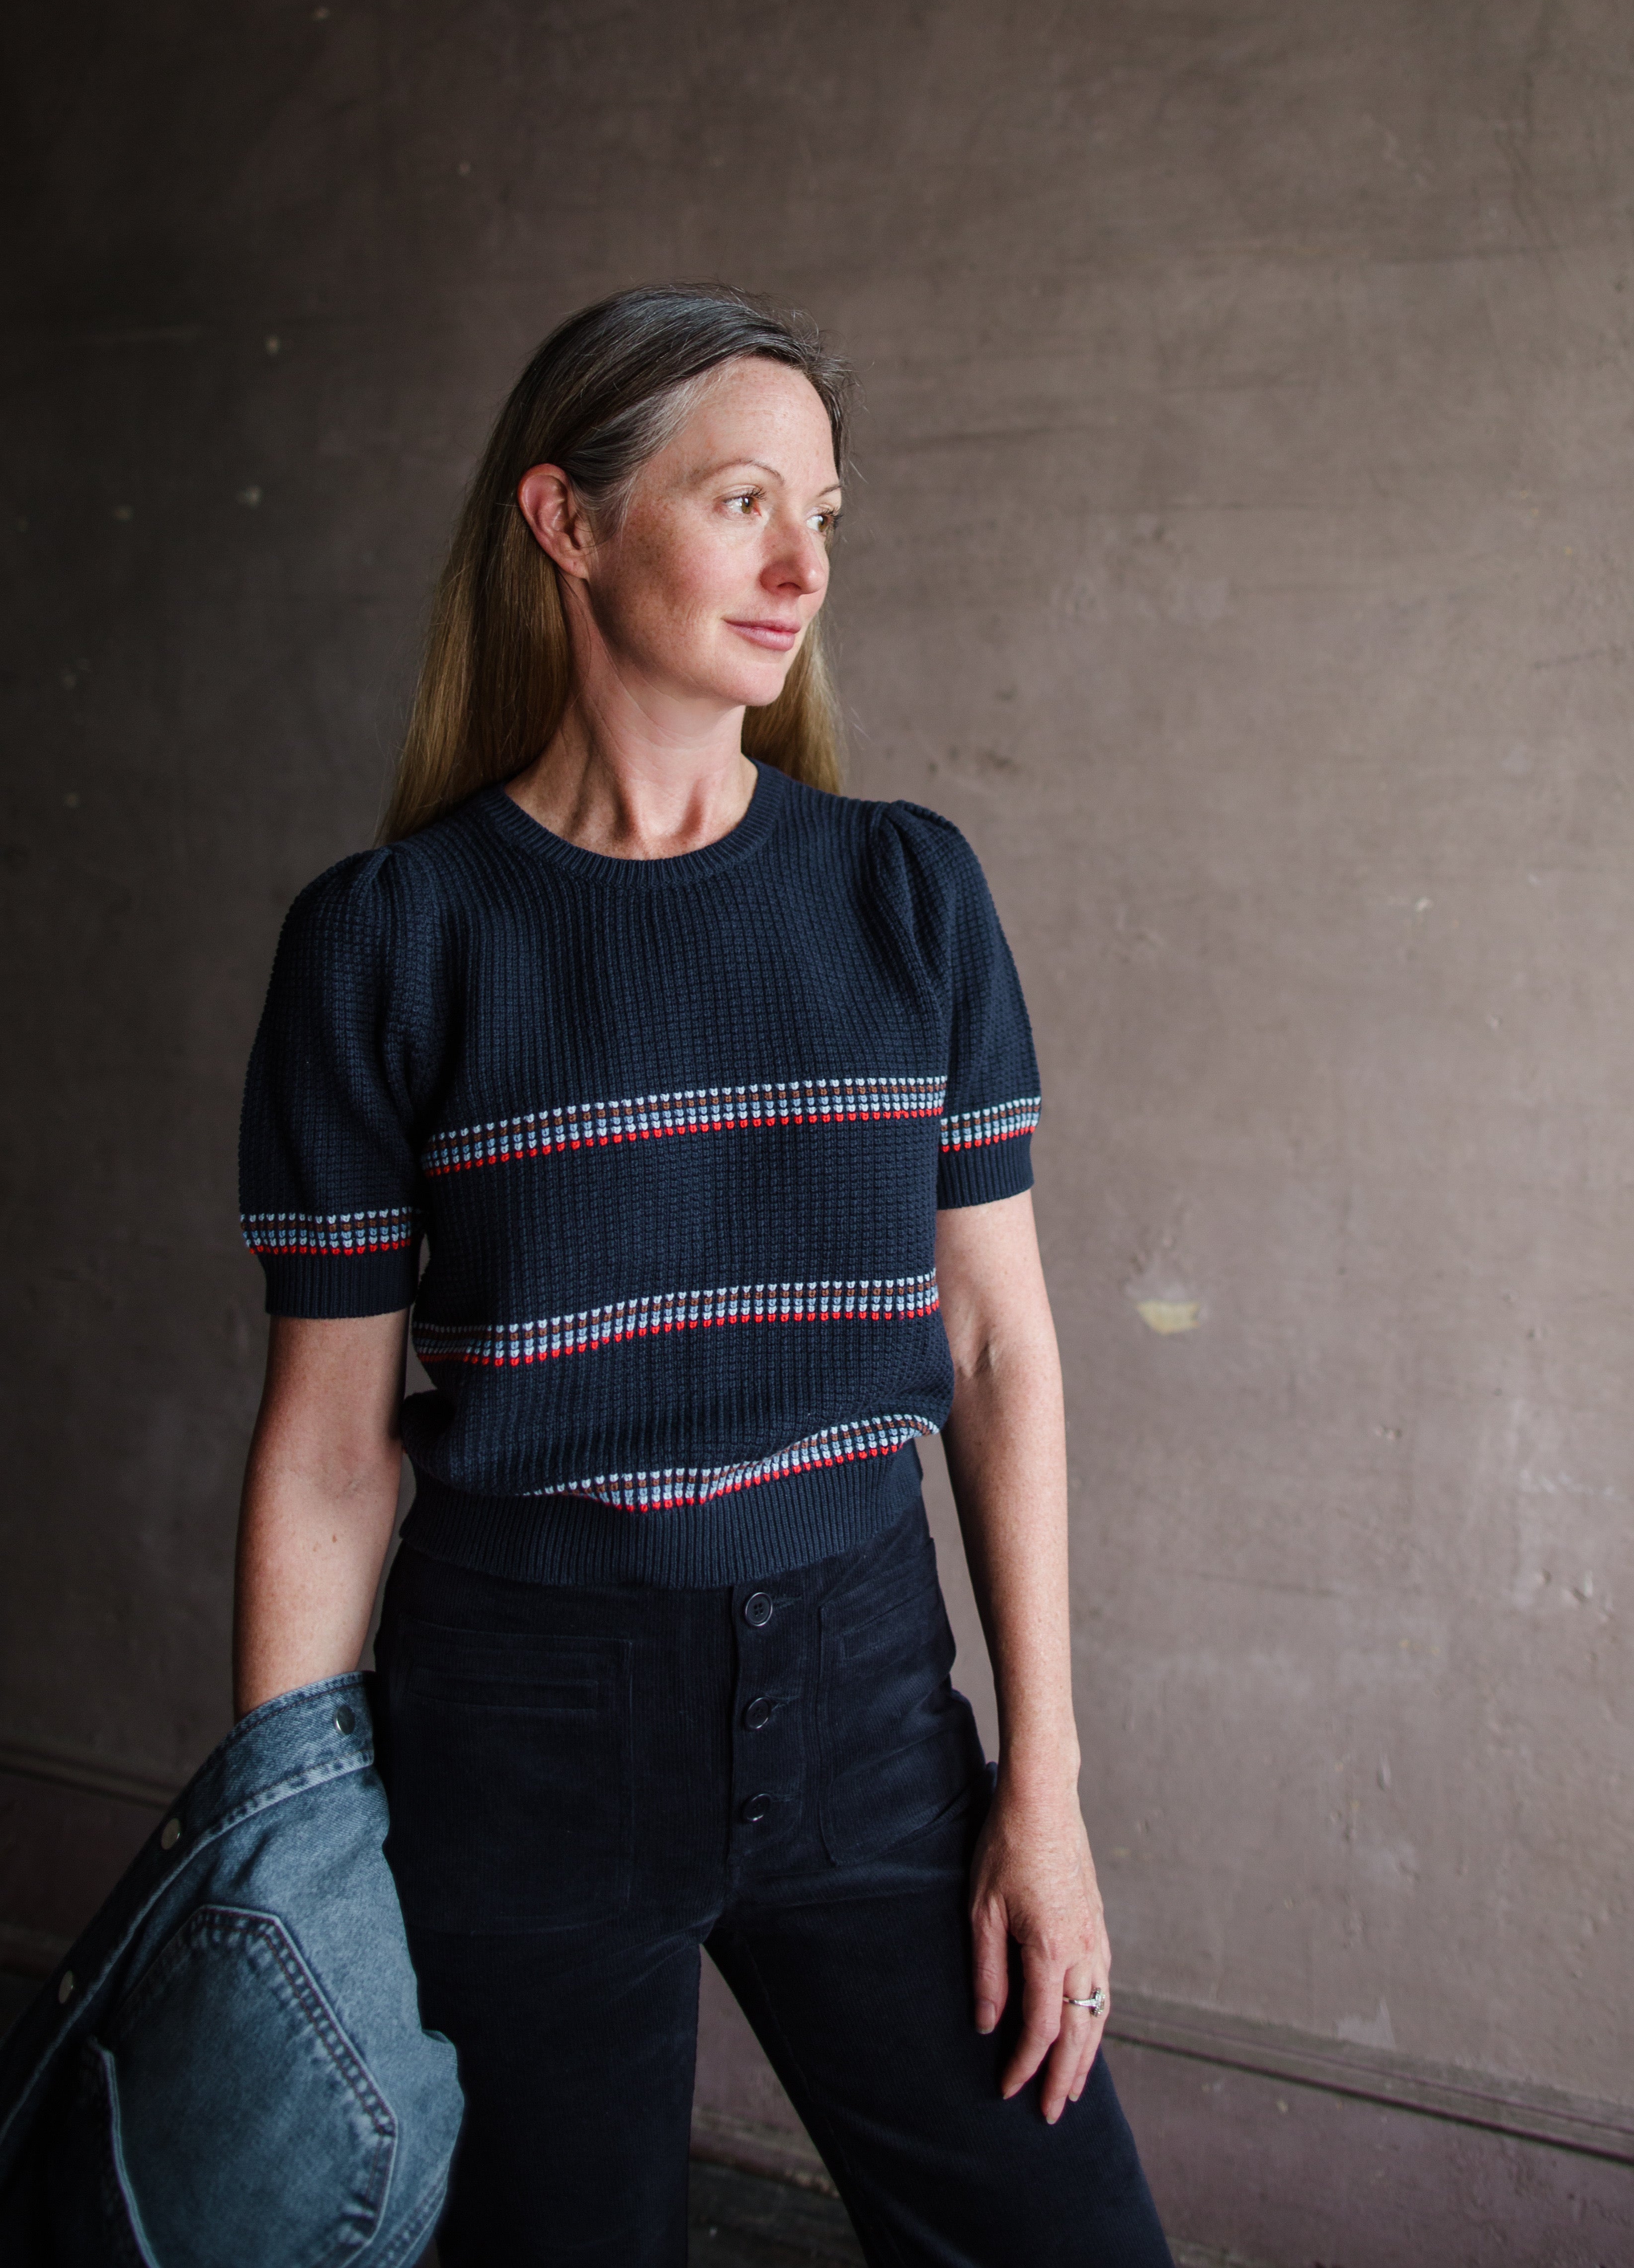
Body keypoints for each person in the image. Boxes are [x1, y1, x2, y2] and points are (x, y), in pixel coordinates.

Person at [235, 285, 1171, 2266]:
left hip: (861, 1693)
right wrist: (283, 1862)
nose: (801, 565)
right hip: (521, 1716)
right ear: (565, 522)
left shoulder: (908, 891)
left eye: (821, 510)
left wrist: (1047, 1793)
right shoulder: (388, 942)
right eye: (741, 499)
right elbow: (326, 1451)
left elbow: (996, 1349)